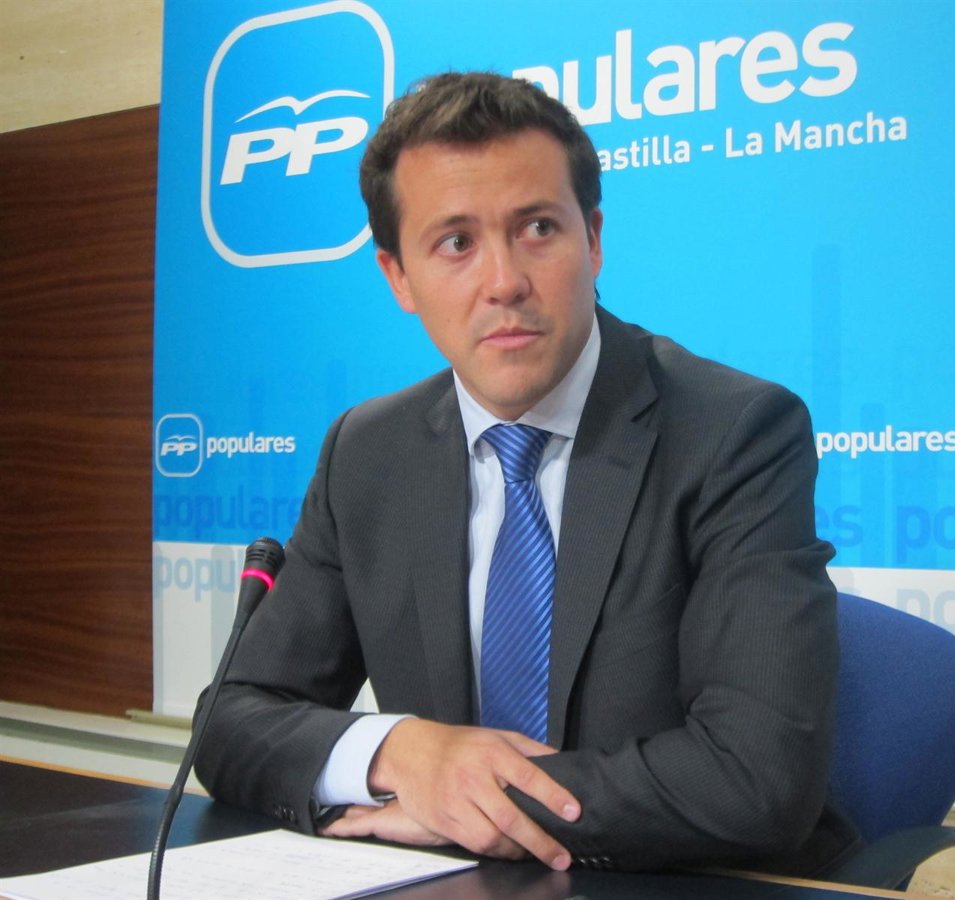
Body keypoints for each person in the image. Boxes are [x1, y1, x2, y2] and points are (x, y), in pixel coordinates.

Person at [195, 71, 859, 876]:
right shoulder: (366, 453)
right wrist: (401, 752)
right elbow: (231, 722)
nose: (504, 281)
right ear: (398, 277)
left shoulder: (732, 433)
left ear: (594, 240)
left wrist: (474, 797)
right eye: (455, 243)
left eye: (538, 228)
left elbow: (759, 779)